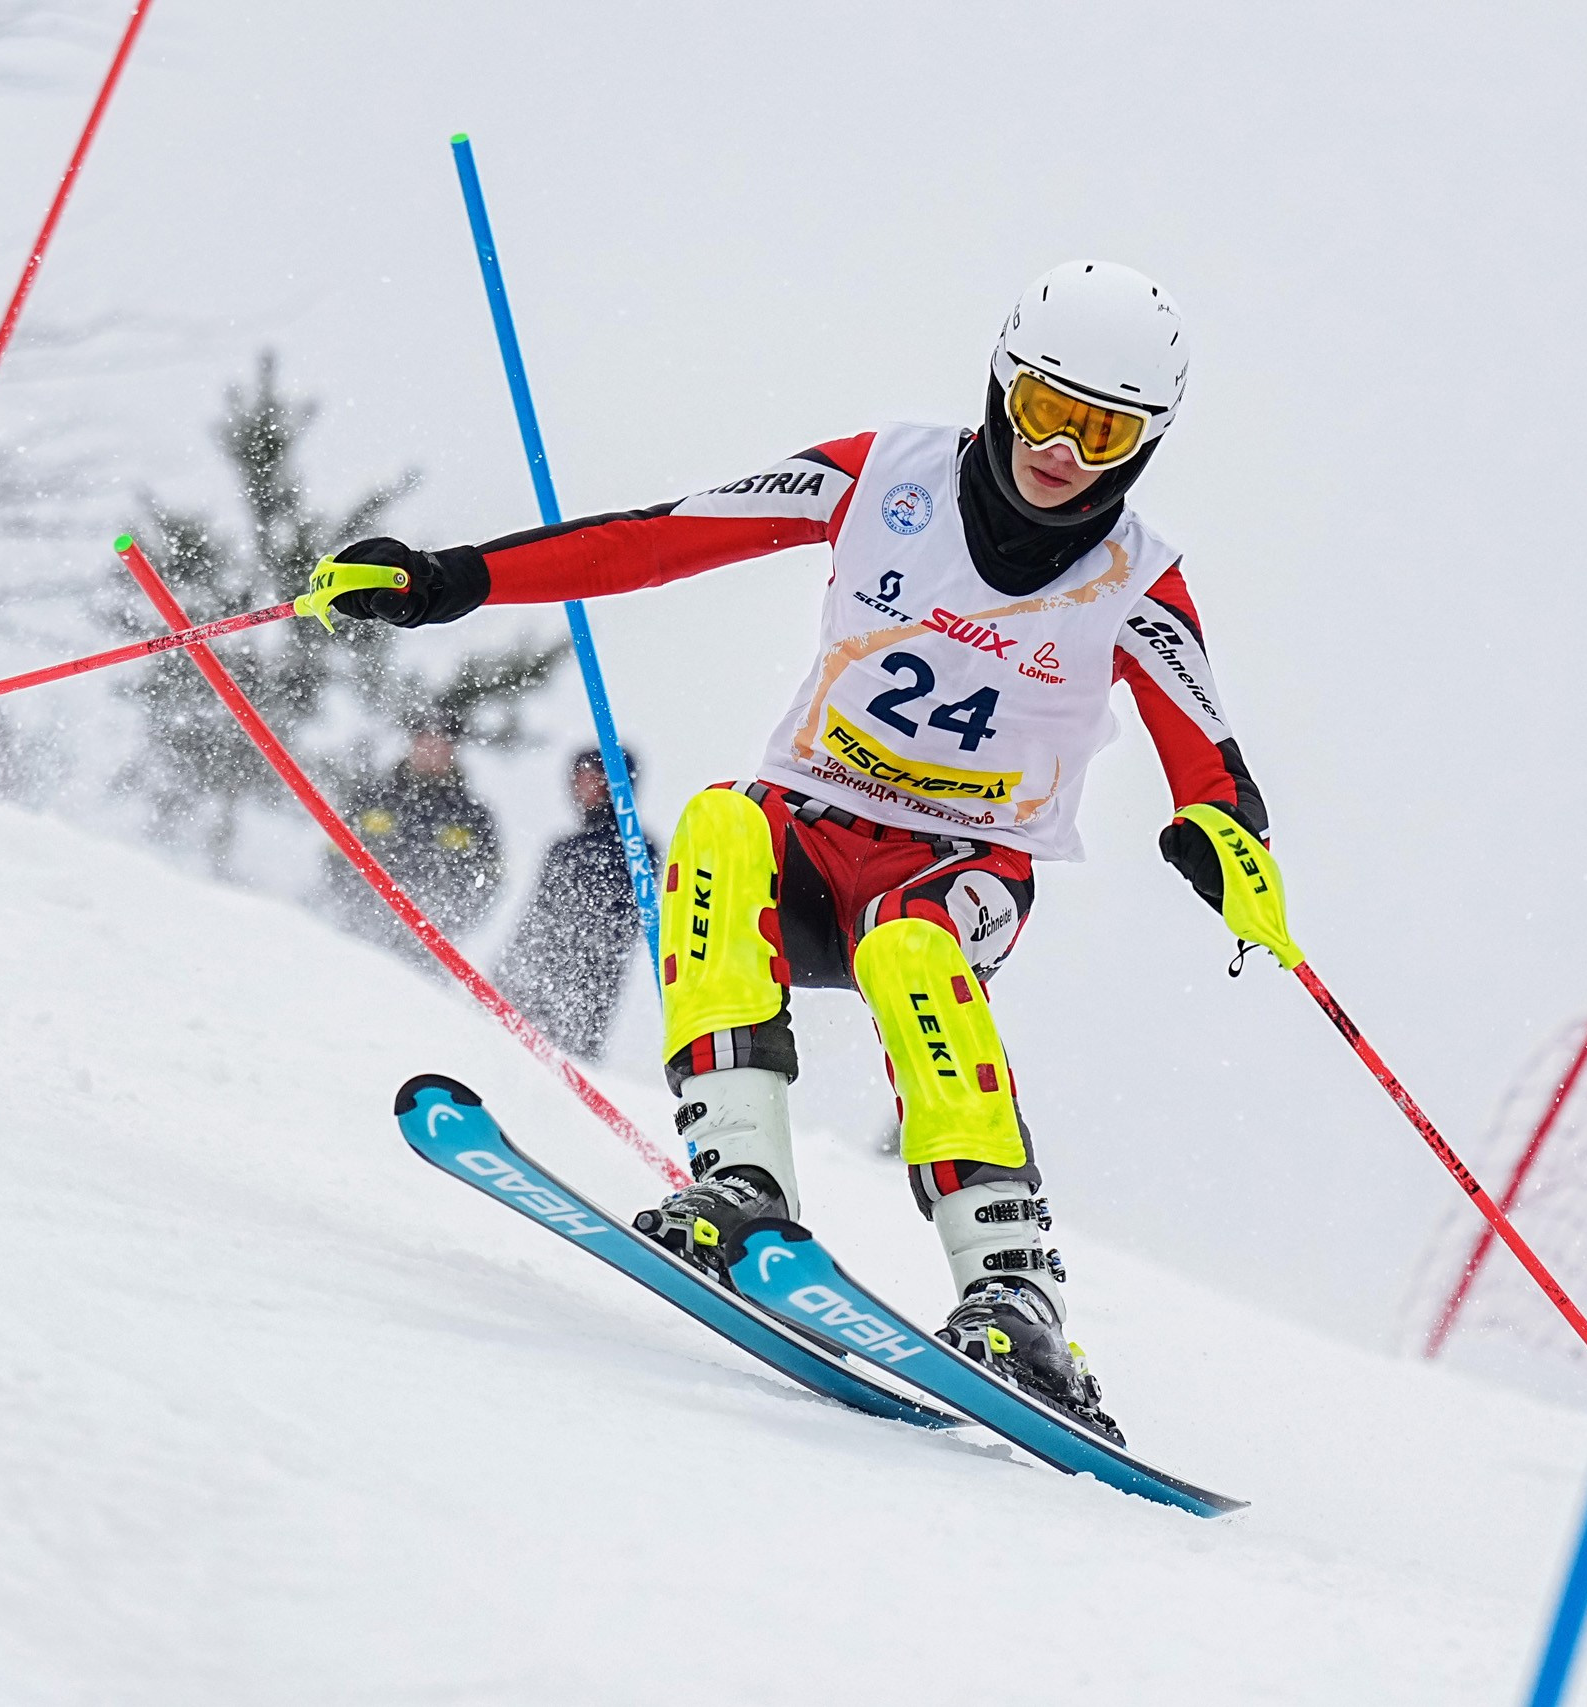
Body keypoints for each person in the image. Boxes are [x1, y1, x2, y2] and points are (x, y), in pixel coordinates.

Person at [325, 261, 1278, 1440]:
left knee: (915, 949)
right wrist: (448, 579)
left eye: (1105, 431)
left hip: (963, 868)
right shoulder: (884, 477)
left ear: (1146, 442)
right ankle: (739, 1181)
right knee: (721, 822)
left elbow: (1211, 759)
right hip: (812, 833)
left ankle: (1013, 1288)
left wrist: (1228, 840)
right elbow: (659, 540)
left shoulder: (1138, 576)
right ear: (1001, 385)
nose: (1064, 453)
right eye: (1044, 410)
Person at [498, 746, 652, 1062]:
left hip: (586, 989)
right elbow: (534, 920)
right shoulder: (564, 848)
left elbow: (619, 925)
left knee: (565, 1065)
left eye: (593, 778)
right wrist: (507, 972)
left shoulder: (637, 850)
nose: (581, 787)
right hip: (537, 978)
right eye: (577, 778)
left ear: (616, 786)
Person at [330, 713, 504, 950]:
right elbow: (336, 856)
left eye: (440, 743)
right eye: (425, 741)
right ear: (412, 745)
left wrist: (450, 916)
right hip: (361, 936)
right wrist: (361, 905)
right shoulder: (373, 800)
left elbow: (488, 879)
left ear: (451, 751)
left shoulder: (472, 817)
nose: (431, 751)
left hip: (432, 945)